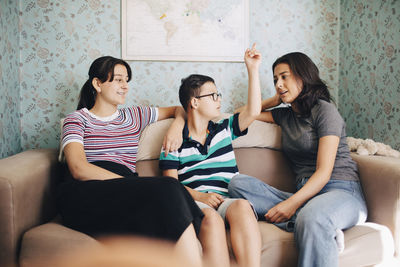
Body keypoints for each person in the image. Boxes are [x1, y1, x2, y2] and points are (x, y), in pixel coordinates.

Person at [57, 56, 204, 267]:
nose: (125, 86)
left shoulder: (135, 115)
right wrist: (128, 184)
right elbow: (78, 168)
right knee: (168, 187)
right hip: (86, 190)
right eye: (118, 80)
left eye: (126, 80)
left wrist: (176, 126)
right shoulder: (77, 119)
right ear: (97, 84)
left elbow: (177, 109)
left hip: (125, 191)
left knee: (170, 191)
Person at [229, 52, 368, 267]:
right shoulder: (285, 115)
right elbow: (241, 115)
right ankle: (318, 228)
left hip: (339, 190)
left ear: (303, 76)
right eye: (275, 79)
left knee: (312, 217)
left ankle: (313, 222)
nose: (278, 83)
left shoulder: (325, 111)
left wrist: (292, 204)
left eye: (284, 77)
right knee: (237, 185)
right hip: (306, 196)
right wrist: (274, 98)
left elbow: (324, 172)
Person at [159, 44, 262, 267]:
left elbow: (253, 111)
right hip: (198, 204)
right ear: (194, 102)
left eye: (218, 95)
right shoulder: (174, 140)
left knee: (243, 206)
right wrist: (199, 197)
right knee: (212, 219)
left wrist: (252, 69)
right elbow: (170, 185)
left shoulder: (224, 129)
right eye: (213, 95)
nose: (219, 100)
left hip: (228, 199)